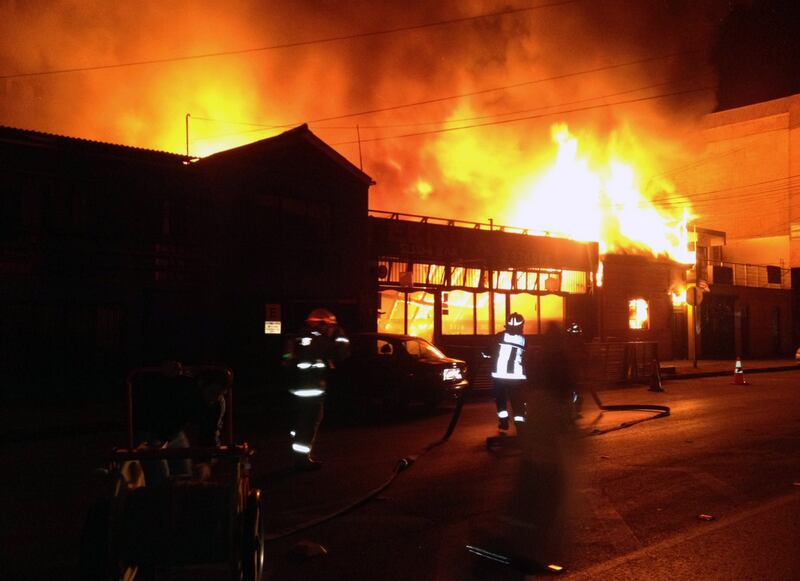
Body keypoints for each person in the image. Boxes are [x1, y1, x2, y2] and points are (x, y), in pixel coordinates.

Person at [132, 362, 228, 486]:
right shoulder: (179, 384)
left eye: (220, 394)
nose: (213, 399)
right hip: (149, 430)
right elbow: (147, 386)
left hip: (174, 433)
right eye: (212, 392)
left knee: (187, 477)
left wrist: (206, 463)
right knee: (160, 482)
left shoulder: (217, 404)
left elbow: (210, 434)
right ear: (201, 384)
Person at [283, 308, 350, 471]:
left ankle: (298, 455)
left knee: (300, 423)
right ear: (322, 324)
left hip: (297, 388)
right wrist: (339, 333)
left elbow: (287, 359)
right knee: (309, 423)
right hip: (312, 389)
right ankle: (302, 460)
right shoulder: (319, 339)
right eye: (329, 325)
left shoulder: (299, 336)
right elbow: (342, 352)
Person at [490, 312, 528, 434]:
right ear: (521, 325)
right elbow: (527, 357)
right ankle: (520, 425)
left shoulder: (499, 336)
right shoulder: (524, 340)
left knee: (500, 399)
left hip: (499, 375)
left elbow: (488, 352)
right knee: (517, 400)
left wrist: (486, 355)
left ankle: (503, 421)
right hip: (517, 376)